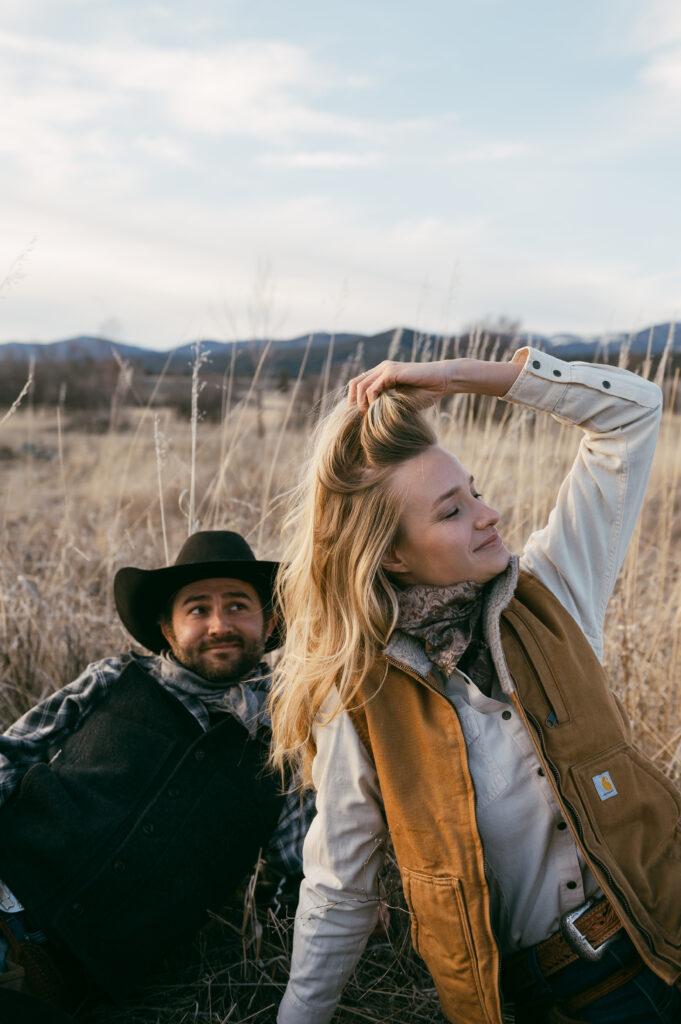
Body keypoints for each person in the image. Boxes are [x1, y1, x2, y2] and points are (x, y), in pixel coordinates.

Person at [270, 348, 681, 1024]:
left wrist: (462, 379)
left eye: (476, 491)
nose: (488, 515)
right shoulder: (359, 701)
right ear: (392, 554)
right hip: (571, 1000)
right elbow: (339, 889)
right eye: (451, 511)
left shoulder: (550, 590)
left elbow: (632, 412)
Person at [0, 530, 315, 1017]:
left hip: (67, 975)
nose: (218, 625)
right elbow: (12, 752)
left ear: (269, 623)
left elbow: (300, 881)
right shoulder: (113, 678)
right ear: (168, 630)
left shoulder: (285, 747)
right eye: (197, 610)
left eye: (237, 606)